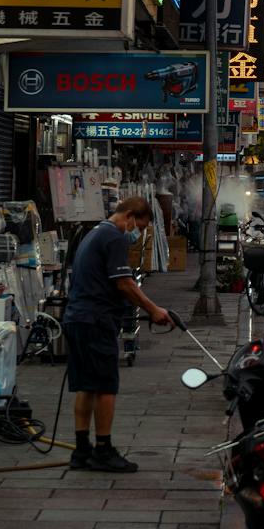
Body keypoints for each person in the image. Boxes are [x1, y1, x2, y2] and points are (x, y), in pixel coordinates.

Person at [63, 195, 173, 472]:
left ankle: (81, 449)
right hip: (95, 320)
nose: (140, 233)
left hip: (77, 317)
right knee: (105, 386)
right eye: (142, 226)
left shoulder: (94, 233)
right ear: (130, 217)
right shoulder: (115, 237)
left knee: (87, 384)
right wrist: (153, 309)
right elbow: (124, 283)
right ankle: (102, 449)